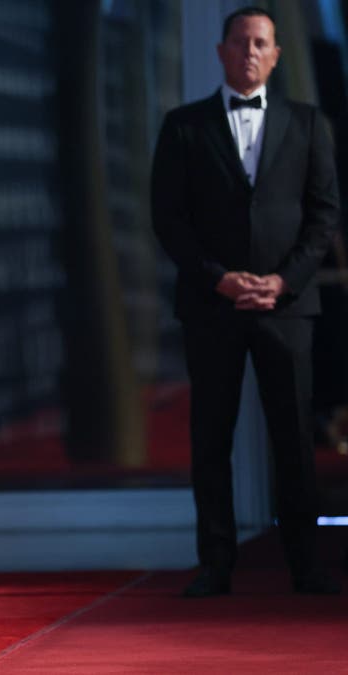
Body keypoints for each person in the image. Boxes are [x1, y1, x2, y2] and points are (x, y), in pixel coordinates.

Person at [151, 7, 341, 598]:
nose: (250, 52)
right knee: (212, 437)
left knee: (293, 440)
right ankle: (216, 566)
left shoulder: (309, 124)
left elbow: (324, 216)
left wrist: (282, 281)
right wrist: (219, 279)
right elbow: (168, 219)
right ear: (221, 51)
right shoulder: (183, 126)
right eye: (240, 42)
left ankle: (307, 568)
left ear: (277, 55)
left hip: (287, 308)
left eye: (261, 43)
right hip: (213, 308)